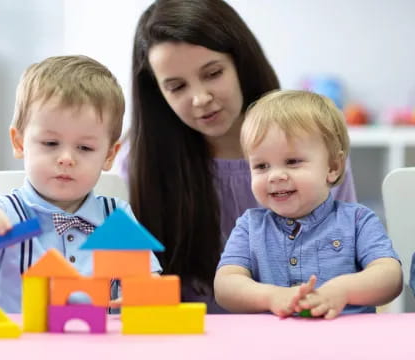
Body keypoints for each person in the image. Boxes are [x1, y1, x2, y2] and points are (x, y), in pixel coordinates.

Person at [116, 0, 357, 313]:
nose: (201, 99)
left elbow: (351, 263)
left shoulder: (312, 147)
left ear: (240, 62)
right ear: (157, 93)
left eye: (213, 73)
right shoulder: (137, 161)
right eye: (176, 87)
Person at [0, 55, 162, 313]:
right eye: (50, 143)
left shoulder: (116, 215)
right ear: (20, 143)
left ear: (109, 155)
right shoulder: (5, 214)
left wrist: (145, 294)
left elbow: (149, 280)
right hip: (21, 349)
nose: (66, 159)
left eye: (85, 147)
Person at [214, 90, 402, 318]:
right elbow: (225, 285)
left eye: (292, 162)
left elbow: (391, 277)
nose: (275, 176)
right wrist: (271, 296)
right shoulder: (249, 226)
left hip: (347, 343)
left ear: (333, 167)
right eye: (262, 166)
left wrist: (342, 291)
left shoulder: (358, 220)